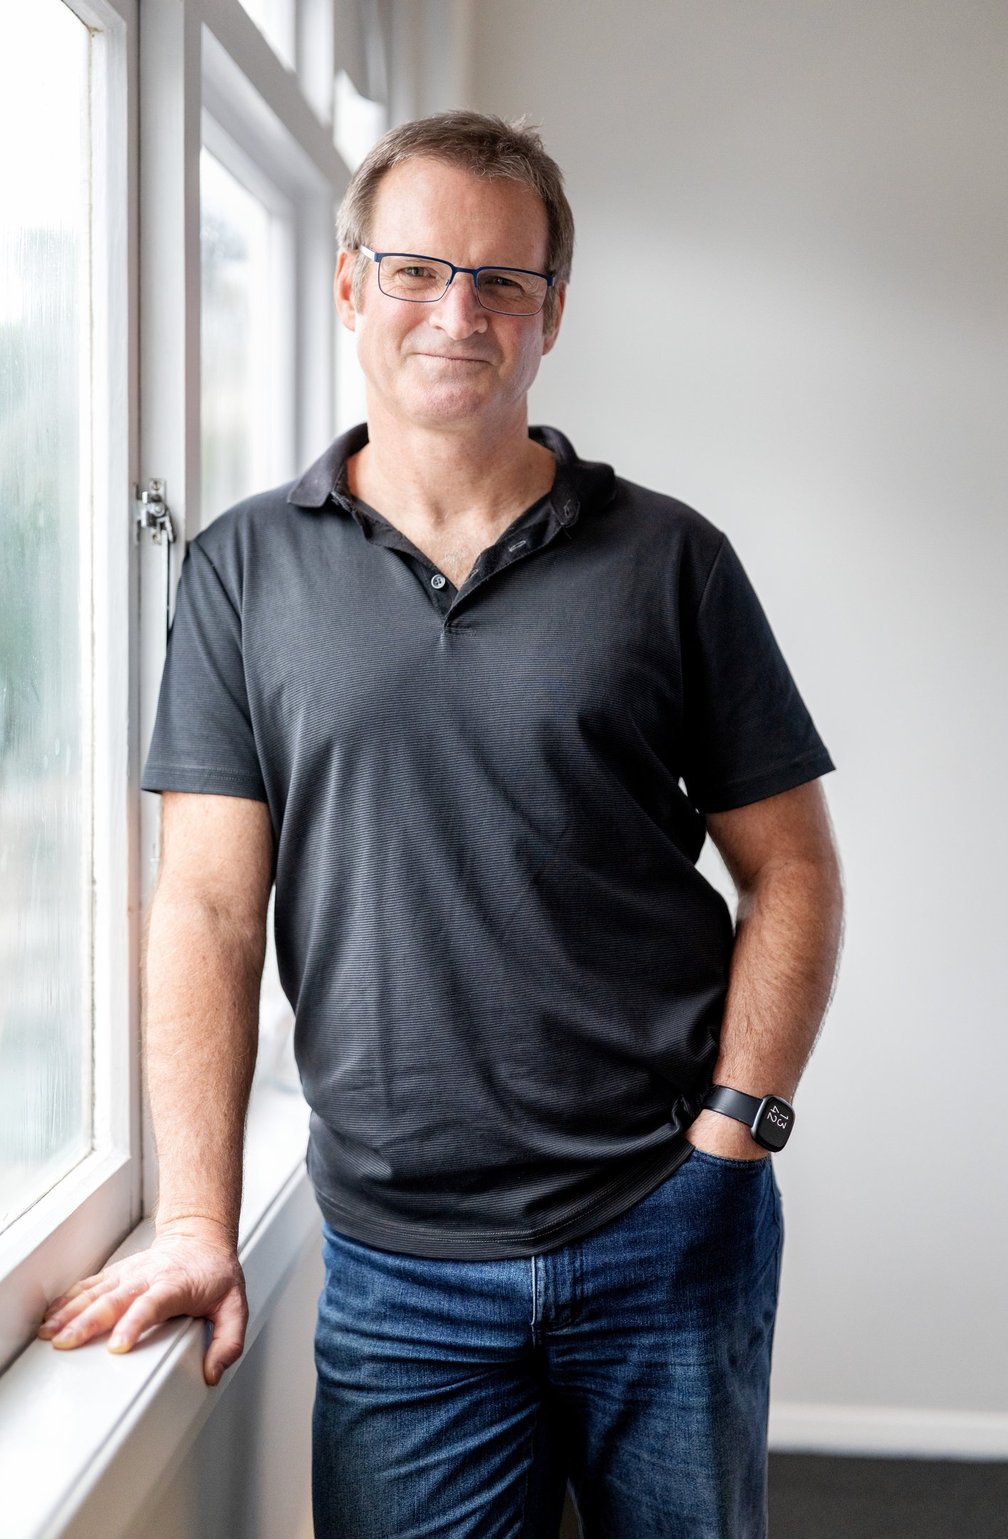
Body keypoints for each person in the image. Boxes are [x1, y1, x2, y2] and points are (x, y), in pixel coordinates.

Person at [38, 111, 844, 1539]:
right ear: (350, 286)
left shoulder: (671, 560)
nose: (457, 313)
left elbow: (791, 867)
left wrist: (742, 1127)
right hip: (402, 1265)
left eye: (501, 282)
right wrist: (194, 1223)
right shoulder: (240, 572)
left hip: (670, 1215)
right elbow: (209, 910)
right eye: (417, 270)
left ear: (551, 317)